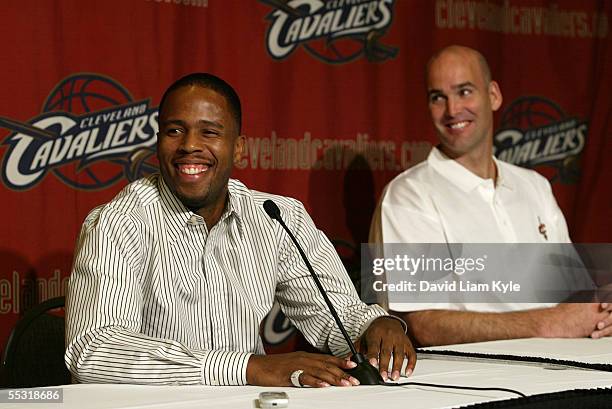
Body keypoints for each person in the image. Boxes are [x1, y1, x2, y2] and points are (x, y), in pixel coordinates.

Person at [65, 73, 415, 387]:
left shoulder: (277, 217)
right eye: (174, 130)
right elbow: (94, 349)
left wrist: (373, 326)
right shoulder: (119, 222)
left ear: (238, 147)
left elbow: (334, 315)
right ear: (157, 143)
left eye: (210, 132)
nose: (189, 144)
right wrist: (247, 368)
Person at [373, 45, 612, 347]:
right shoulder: (408, 196)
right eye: (438, 97)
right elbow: (421, 324)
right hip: (475, 382)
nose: (452, 110)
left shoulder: (535, 186)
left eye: (464, 91)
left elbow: (571, 293)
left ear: (494, 96)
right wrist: (548, 324)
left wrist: (601, 310)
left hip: (561, 369)